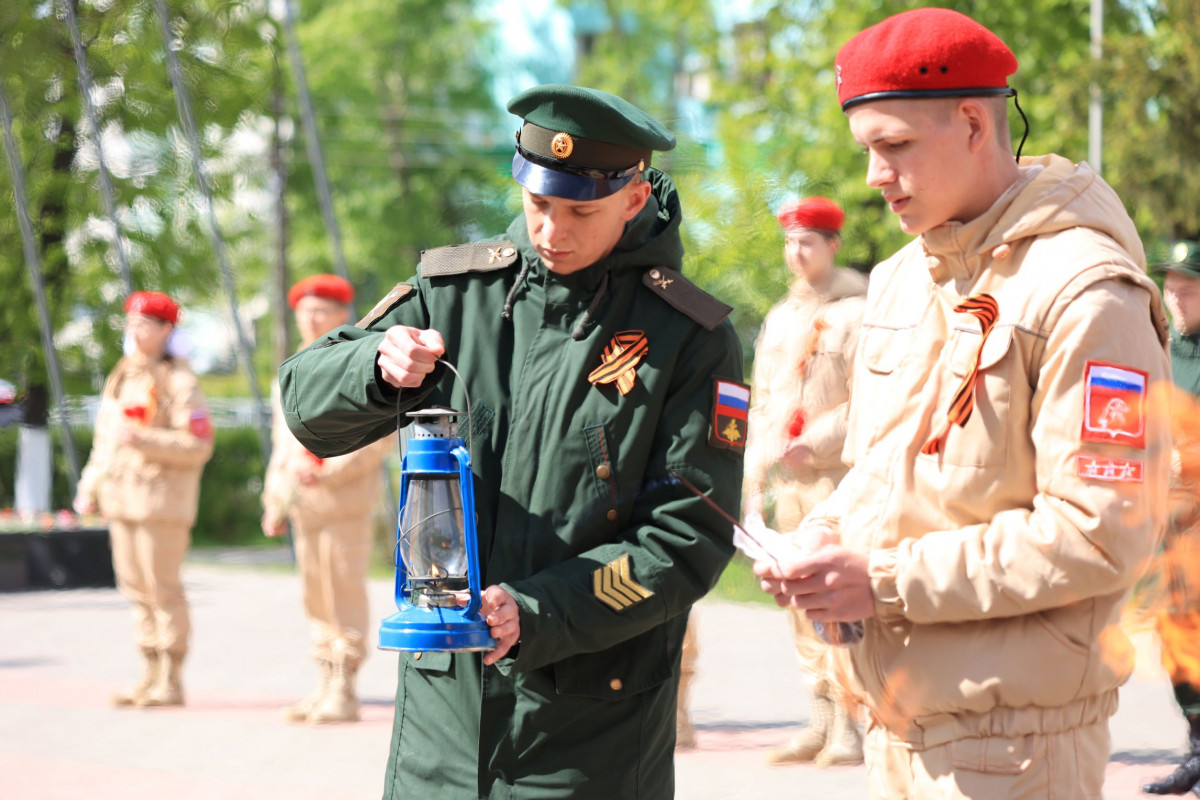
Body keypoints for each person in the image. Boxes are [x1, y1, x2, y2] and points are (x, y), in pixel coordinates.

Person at [278, 85, 744, 798]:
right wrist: (372, 367)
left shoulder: (688, 338)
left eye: (580, 211)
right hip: (442, 723)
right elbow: (304, 402)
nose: (552, 231)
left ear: (634, 196)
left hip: (587, 734)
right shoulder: (456, 293)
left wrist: (540, 610)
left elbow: (687, 538)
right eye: (538, 204)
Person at [755, 9, 1171, 799]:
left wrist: (877, 580)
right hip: (896, 728)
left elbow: (1102, 531)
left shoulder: (1086, 291)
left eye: (895, 146)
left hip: (1017, 750)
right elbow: (881, 472)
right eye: (868, 151)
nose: (876, 175)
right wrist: (818, 540)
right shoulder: (905, 277)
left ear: (975, 122)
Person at [742, 196, 865, 767]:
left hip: (836, 483)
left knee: (835, 603)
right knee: (797, 604)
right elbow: (763, 402)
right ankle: (817, 720)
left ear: (832, 245)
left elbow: (871, 402)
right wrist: (755, 477)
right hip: (787, 489)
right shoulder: (781, 317)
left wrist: (813, 443)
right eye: (790, 242)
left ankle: (849, 724)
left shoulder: (859, 313)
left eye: (808, 243)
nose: (796, 253)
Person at [261, 274, 394, 724]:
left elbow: (377, 437)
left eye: (321, 310)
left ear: (343, 315)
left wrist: (326, 469)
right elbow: (282, 446)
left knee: (343, 593)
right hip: (305, 505)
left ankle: (345, 688)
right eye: (304, 310)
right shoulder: (295, 366)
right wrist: (275, 499)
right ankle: (323, 684)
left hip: (343, 502)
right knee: (315, 597)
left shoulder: (356, 359)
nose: (310, 318)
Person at [74, 291, 214, 708]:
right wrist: (89, 485)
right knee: (135, 589)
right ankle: (149, 672)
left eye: (146, 325)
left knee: (163, 589)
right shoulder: (124, 376)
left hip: (161, 504)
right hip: (123, 500)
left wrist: (145, 439)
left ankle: (171, 677)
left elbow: (198, 444)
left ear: (168, 331)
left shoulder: (180, 381)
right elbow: (106, 441)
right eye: (132, 324)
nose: (135, 332)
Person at [1143, 241, 1200, 795]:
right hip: (1167, 522)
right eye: (1173, 288)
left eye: (1190, 288)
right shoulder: (1155, 349)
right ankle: (1198, 747)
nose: (1177, 299)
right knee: (1174, 636)